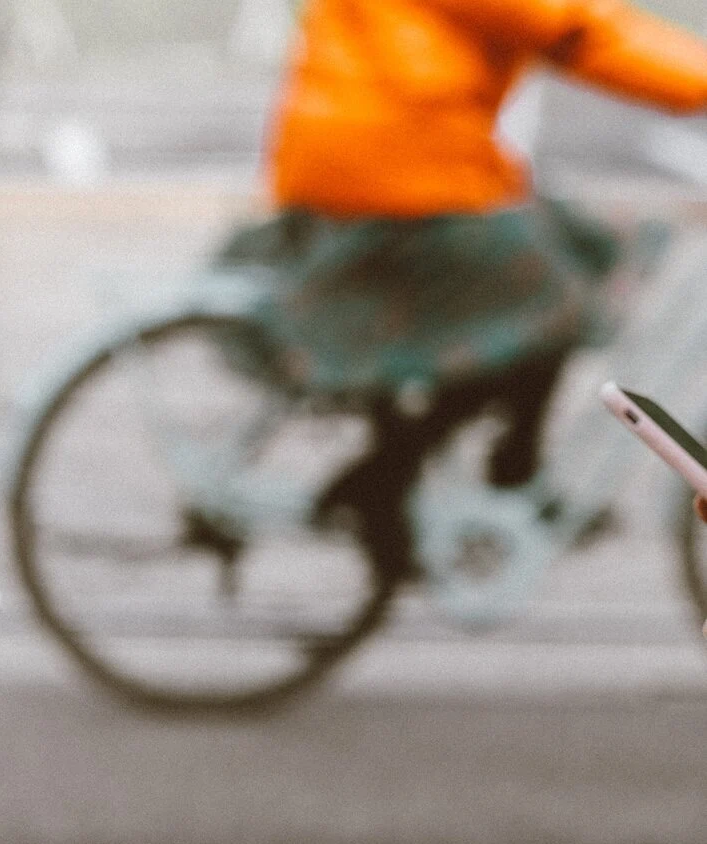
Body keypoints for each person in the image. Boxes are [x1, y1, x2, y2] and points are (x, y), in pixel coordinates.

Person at [228, 0, 707, 540]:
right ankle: (396, 474)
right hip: (398, 167)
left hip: (405, 151)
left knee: (589, 247)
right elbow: (573, 28)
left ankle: (504, 462)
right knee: (554, 301)